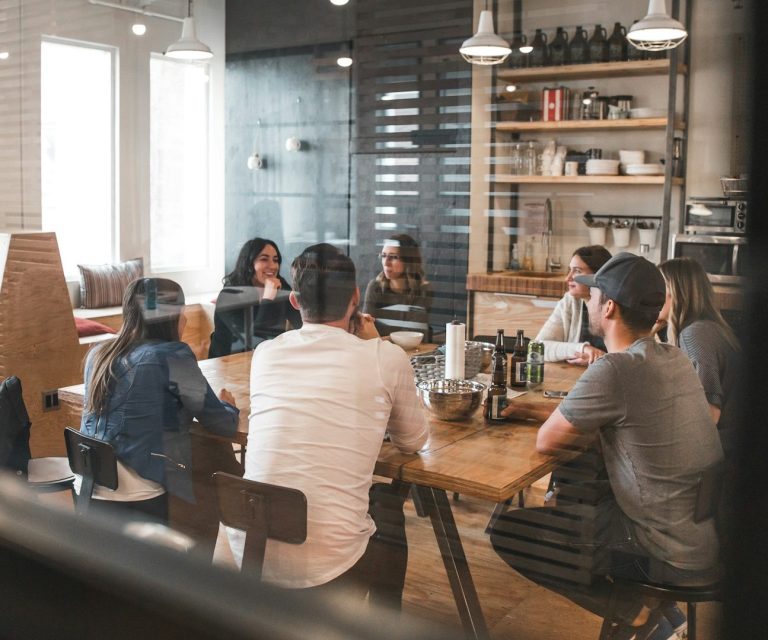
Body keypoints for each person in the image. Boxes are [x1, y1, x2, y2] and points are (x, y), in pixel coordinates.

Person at [490, 253, 724, 640]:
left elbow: (548, 440)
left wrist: (537, 416)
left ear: (609, 307)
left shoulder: (615, 369)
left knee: (510, 532)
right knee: (583, 482)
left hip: (660, 551)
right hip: (698, 536)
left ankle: (636, 614)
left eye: (595, 293)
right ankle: (658, 615)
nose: (590, 300)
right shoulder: (672, 357)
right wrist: (531, 407)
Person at [227, 243, 429, 607]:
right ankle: (385, 626)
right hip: (328, 566)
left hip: (250, 548)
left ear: (294, 301)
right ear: (355, 297)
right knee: (388, 512)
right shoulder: (385, 357)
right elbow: (413, 441)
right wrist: (376, 345)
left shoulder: (266, 354)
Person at [80, 278, 239, 524]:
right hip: (139, 493)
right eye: (182, 311)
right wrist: (229, 405)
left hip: (91, 487)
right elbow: (222, 424)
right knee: (214, 464)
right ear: (172, 316)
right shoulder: (172, 356)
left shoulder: (97, 355)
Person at [656, 257, 741, 453]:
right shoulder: (706, 327)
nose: (652, 295)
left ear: (676, 293)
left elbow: (709, 414)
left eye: (659, 288)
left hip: (724, 450)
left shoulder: (695, 335)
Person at [208, 238, 302, 357]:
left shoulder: (280, 286)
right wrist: (268, 299)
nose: (272, 266)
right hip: (228, 363)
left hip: (267, 358)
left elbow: (302, 324)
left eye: (275, 260)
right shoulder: (229, 296)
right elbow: (255, 341)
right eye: (264, 259)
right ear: (249, 264)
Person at [535, 245, 612, 364]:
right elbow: (538, 347)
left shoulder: (617, 306)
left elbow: (629, 358)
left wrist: (598, 359)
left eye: (577, 271)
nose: (567, 278)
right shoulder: (570, 302)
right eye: (569, 270)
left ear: (598, 275)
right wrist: (583, 349)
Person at [362, 233, 432, 337]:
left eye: (393, 257)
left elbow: (415, 335)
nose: (386, 263)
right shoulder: (375, 287)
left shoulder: (422, 290)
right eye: (383, 256)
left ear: (408, 261)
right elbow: (365, 328)